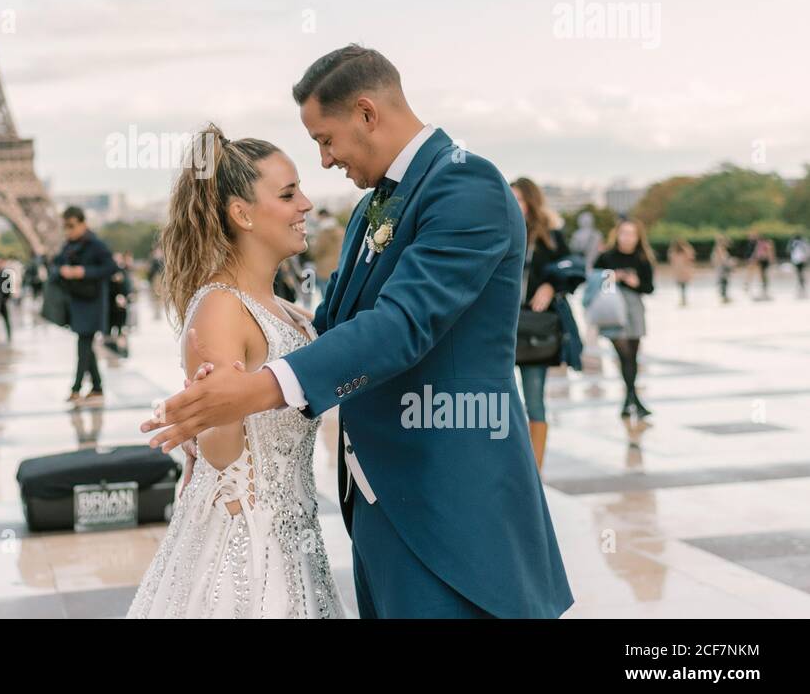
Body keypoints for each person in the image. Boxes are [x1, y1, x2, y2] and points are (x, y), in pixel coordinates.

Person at [141, 45, 572, 619]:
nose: (324, 162)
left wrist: (257, 390)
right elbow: (328, 335)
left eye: (325, 139)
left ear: (367, 113)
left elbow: (401, 325)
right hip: (380, 506)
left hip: (451, 504)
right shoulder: (373, 209)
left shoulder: (468, 186)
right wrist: (214, 419)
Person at [128, 126, 342, 619]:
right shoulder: (222, 308)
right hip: (245, 548)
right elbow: (222, 459)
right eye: (288, 194)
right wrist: (210, 414)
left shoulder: (288, 311)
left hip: (293, 537)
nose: (306, 204)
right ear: (241, 214)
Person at [510, 178, 581, 473]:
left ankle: (534, 470)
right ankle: (507, 464)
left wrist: (550, 286)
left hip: (535, 328)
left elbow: (573, 268)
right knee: (497, 401)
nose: (515, 204)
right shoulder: (500, 230)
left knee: (534, 399)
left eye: (520, 200)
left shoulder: (549, 235)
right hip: (503, 325)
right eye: (510, 198)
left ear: (532, 203)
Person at [52, 206, 115, 406]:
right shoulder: (68, 247)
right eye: (65, 226)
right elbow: (54, 266)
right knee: (85, 344)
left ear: (83, 223)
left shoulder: (95, 245)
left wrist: (83, 272)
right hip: (77, 301)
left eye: (71, 226)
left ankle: (76, 388)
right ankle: (97, 387)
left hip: (92, 301)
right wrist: (63, 271)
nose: (68, 230)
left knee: (83, 344)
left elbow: (111, 267)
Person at [594, 219, 656, 420]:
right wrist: (612, 277)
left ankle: (630, 400)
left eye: (632, 234)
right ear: (617, 234)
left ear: (638, 237)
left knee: (633, 355)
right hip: (612, 307)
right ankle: (633, 399)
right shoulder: (607, 256)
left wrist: (635, 282)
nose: (627, 237)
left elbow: (649, 288)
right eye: (624, 233)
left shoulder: (643, 258)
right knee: (623, 355)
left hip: (634, 308)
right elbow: (593, 278)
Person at [667, 238, 696, 307]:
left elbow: (671, 260)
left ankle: (683, 298)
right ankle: (683, 298)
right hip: (684, 270)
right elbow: (691, 258)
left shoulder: (674, 251)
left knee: (681, 285)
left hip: (678, 270)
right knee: (683, 285)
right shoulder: (685, 250)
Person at [714, 234, 734, 303]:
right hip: (722, 267)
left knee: (724, 282)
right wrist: (728, 264)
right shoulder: (719, 248)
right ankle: (724, 297)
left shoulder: (720, 248)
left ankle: (724, 296)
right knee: (723, 282)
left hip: (722, 267)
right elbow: (722, 259)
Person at [790, 234, 809, 298]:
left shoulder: (794, 243)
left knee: (799, 273)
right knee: (800, 273)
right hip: (801, 259)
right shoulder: (802, 243)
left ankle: (802, 286)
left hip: (797, 260)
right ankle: (802, 286)